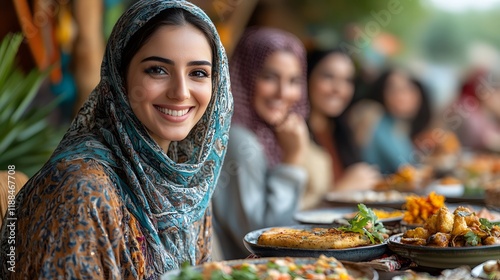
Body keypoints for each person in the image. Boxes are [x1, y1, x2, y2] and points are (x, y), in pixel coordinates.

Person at [0, 0, 233, 278]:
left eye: (198, 73)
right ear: (120, 78)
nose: (181, 92)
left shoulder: (185, 183)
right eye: (157, 70)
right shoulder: (83, 191)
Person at [212, 27, 310, 260]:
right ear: (245, 76)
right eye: (269, 77)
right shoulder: (238, 140)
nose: (283, 92)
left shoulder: (266, 134)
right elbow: (267, 239)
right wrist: (293, 160)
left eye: (294, 80)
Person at [302, 48, 381, 209]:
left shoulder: (341, 131)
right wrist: (341, 190)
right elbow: (285, 217)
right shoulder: (294, 135)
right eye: (328, 76)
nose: (338, 89)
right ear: (307, 77)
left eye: (347, 80)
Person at [348, 69, 432, 175]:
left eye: (408, 88)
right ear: (382, 93)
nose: (403, 95)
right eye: (394, 89)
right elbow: (404, 167)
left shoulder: (399, 125)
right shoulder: (376, 120)